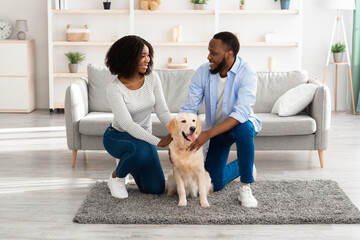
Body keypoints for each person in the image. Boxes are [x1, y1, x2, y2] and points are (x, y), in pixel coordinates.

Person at [179, 31, 262, 207]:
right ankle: (245, 165)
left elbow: (241, 113)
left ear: (229, 54)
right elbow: (189, 109)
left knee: (244, 127)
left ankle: (246, 186)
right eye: (209, 51)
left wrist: (207, 135)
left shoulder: (247, 72)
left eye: (214, 53)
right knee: (212, 183)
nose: (209, 56)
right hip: (217, 130)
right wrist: (179, 139)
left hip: (238, 125)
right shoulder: (203, 72)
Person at [103, 35, 173, 199]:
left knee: (155, 188)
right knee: (142, 149)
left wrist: (176, 130)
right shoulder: (114, 88)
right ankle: (116, 178)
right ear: (127, 57)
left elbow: (162, 110)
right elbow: (127, 124)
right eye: (142, 56)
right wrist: (158, 141)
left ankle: (129, 162)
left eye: (148, 55)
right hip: (118, 136)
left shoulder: (152, 78)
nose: (147, 60)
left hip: (143, 138)